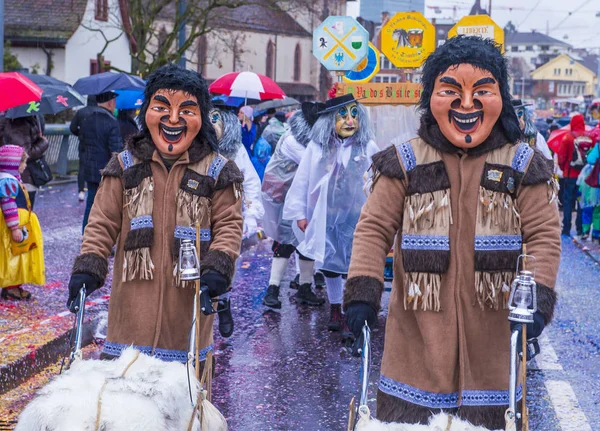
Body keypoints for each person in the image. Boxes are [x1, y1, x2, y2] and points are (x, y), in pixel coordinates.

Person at [343, 36, 561, 428]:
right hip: (417, 341)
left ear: (502, 97)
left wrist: (537, 302)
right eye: (450, 90)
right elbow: (373, 230)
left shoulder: (524, 165)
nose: (466, 104)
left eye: (482, 91)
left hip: (494, 339)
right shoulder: (404, 162)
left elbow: (544, 236)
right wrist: (362, 291)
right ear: (431, 98)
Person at [67, 64, 243, 364]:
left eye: (186, 110)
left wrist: (218, 267)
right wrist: (89, 266)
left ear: (201, 117)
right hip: (131, 318)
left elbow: (229, 224)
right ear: (146, 111)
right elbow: (101, 222)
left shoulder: (218, 171)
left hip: (187, 313)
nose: (173, 118)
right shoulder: (123, 165)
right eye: (162, 107)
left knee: (181, 405)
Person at [283, 94, 379, 335]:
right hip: (324, 215)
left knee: (353, 263)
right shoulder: (317, 148)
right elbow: (303, 179)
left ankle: (349, 309)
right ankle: (335, 307)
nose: (349, 121)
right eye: (342, 116)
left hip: (357, 216)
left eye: (354, 115)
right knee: (329, 263)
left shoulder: (367, 147)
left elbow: (379, 179)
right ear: (329, 120)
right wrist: (299, 213)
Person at [261, 102, 323, 309]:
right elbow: (314, 165)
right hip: (282, 196)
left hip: (302, 198)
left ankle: (305, 288)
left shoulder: (309, 142)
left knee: (307, 241)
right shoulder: (291, 141)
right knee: (284, 241)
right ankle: (272, 290)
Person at [209, 104, 264, 238]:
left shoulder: (236, 151)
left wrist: (251, 213)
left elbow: (250, 182)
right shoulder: (195, 148)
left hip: (229, 215)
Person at [74, 91, 123, 232]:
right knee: (107, 206)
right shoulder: (111, 121)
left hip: (89, 167)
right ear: (110, 103)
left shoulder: (87, 119)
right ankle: (103, 236)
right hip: (106, 170)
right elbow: (116, 150)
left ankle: (86, 233)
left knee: (91, 202)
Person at [0, 145, 44, 300]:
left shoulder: (11, 179)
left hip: (19, 224)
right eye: (22, 163)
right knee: (13, 254)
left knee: (19, 253)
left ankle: (15, 283)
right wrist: (14, 227)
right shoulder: (8, 181)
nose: (25, 166)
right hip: (14, 225)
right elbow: (8, 205)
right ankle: (10, 286)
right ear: (13, 164)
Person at [0, 115, 49, 208]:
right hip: (24, 177)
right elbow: (24, 153)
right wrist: (43, 143)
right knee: (22, 214)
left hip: (9, 176)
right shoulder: (19, 124)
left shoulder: (6, 119)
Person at [557, 113, 594, 236]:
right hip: (584, 178)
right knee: (581, 203)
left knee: (568, 202)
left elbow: (561, 158)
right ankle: (580, 228)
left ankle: (566, 228)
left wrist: (564, 169)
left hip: (570, 176)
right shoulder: (589, 138)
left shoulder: (567, 138)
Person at [70, 96, 97, 202]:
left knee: (82, 167)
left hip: (84, 144)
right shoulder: (100, 113)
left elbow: (72, 128)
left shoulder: (81, 112)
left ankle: (81, 191)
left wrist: (80, 134)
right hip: (97, 145)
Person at [579, 139, 600, 243]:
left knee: (588, 208)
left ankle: (586, 232)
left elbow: (591, 159)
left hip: (594, 184)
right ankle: (596, 234)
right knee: (598, 211)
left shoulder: (598, 145)